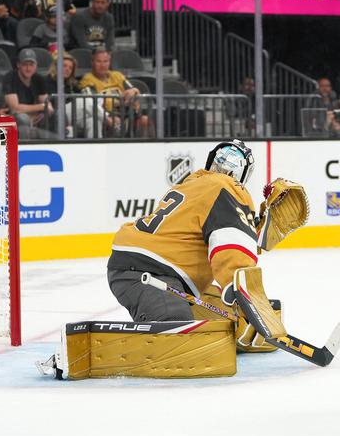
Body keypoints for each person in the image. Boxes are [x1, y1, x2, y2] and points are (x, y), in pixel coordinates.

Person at [106, 140, 272, 351]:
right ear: (241, 174)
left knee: (218, 326)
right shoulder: (227, 188)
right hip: (150, 272)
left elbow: (214, 232)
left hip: (142, 264)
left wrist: (254, 229)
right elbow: (232, 244)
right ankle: (119, 348)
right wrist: (243, 293)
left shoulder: (194, 183)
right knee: (179, 342)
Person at [78, 46, 150, 137]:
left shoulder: (117, 75)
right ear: (92, 63)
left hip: (126, 113)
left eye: (105, 61)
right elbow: (92, 102)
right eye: (99, 61)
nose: (102, 65)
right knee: (115, 123)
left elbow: (133, 90)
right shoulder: (87, 79)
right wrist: (119, 101)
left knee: (145, 120)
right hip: (106, 116)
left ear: (109, 62)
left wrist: (134, 91)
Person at [46, 52, 103, 138]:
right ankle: (109, 120)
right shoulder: (47, 81)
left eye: (70, 68)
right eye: (64, 66)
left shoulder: (73, 84)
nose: (67, 69)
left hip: (73, 115)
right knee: (85, 101)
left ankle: (96, 149)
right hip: (56, 115)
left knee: (94, 121)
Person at [4, 48, 55, 134]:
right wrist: (41, 107)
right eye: (25, 64)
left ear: (36, 66)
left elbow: (48, 106)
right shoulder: (10, 78)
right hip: (14, 119)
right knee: (23, 118)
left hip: (35, 118)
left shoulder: (39, 79)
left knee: (56, 117)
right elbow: (15, 108)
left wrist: (44, 111)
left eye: (31, 64)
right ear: (18, 65)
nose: (28, 68)